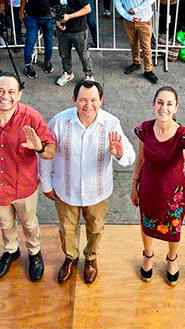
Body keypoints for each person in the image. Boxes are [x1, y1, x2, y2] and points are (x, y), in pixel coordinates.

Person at [40, 80, 136, 283]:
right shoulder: (58, 121)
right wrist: (46, 184)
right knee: (66, 229)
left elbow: (129, 156)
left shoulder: (111, 123)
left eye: (93, 100)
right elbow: (46, 153)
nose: (88, 105)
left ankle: (91, 258)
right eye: (83, 100)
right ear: (74, 99)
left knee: (96, 228)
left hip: (97, 192)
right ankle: (70, 257)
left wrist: (119, 153)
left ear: (101, 100)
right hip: (65, 189)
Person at [0, 73, 56, 282]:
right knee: (5, 224)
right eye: (0, 91)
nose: (5, 96)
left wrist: (39, 148)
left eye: (11, 92)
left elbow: (51, 150)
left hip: (24, 186)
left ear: (19, 95)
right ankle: (11, 251)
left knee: (29, 223)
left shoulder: (31, 117)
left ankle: (34, 252)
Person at [132, 86, 185, 285]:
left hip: (174, 196)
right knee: (146, 225)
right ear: (153, 104)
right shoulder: (144, 129)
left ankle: (171, 259)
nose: (164, 108)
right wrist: (134, 185)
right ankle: (148, 255)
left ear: (176, 108)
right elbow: (140, 158)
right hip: (147, 189)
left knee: (173, 230)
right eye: (160, 102)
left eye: (169, 104)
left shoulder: (183, 135)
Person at [112, 0, 158, 84]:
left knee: (146, 46)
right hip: (129, 20)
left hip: (144, 20)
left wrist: (136, 10)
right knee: (133, 43)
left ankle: (149, 69)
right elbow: (118, 6)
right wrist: (129, 17)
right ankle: (136, 62)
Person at [50, 0, 93, 86]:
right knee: (64, 52)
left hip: (78, 28)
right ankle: (67, 72)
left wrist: (70, 16)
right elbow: (52, 9)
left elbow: (87, 9)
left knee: (83, 53)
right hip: (62, 29)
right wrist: (58, 21)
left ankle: (89, 74)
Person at [20, 0, 57, 79]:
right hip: (32, 15)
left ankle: (47, 61)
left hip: (47, 17)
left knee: (48, 39)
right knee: (30, 40)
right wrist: (21, 12)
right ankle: (28, 64)